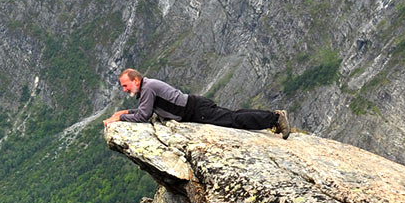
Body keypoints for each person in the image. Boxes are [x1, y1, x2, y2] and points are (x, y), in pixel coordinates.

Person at [103, 69, 290, 138]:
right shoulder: (147, 88)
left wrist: (119, 119)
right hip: (194, 107)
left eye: (125, 85)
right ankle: (271, 119)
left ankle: (275, 118)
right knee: (233, 116)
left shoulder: (148, 87)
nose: (124, 89)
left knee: (234, 120)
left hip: (195, 110)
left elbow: (143, 116)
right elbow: (145, 109)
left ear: (136, 80)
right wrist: (122, 113)